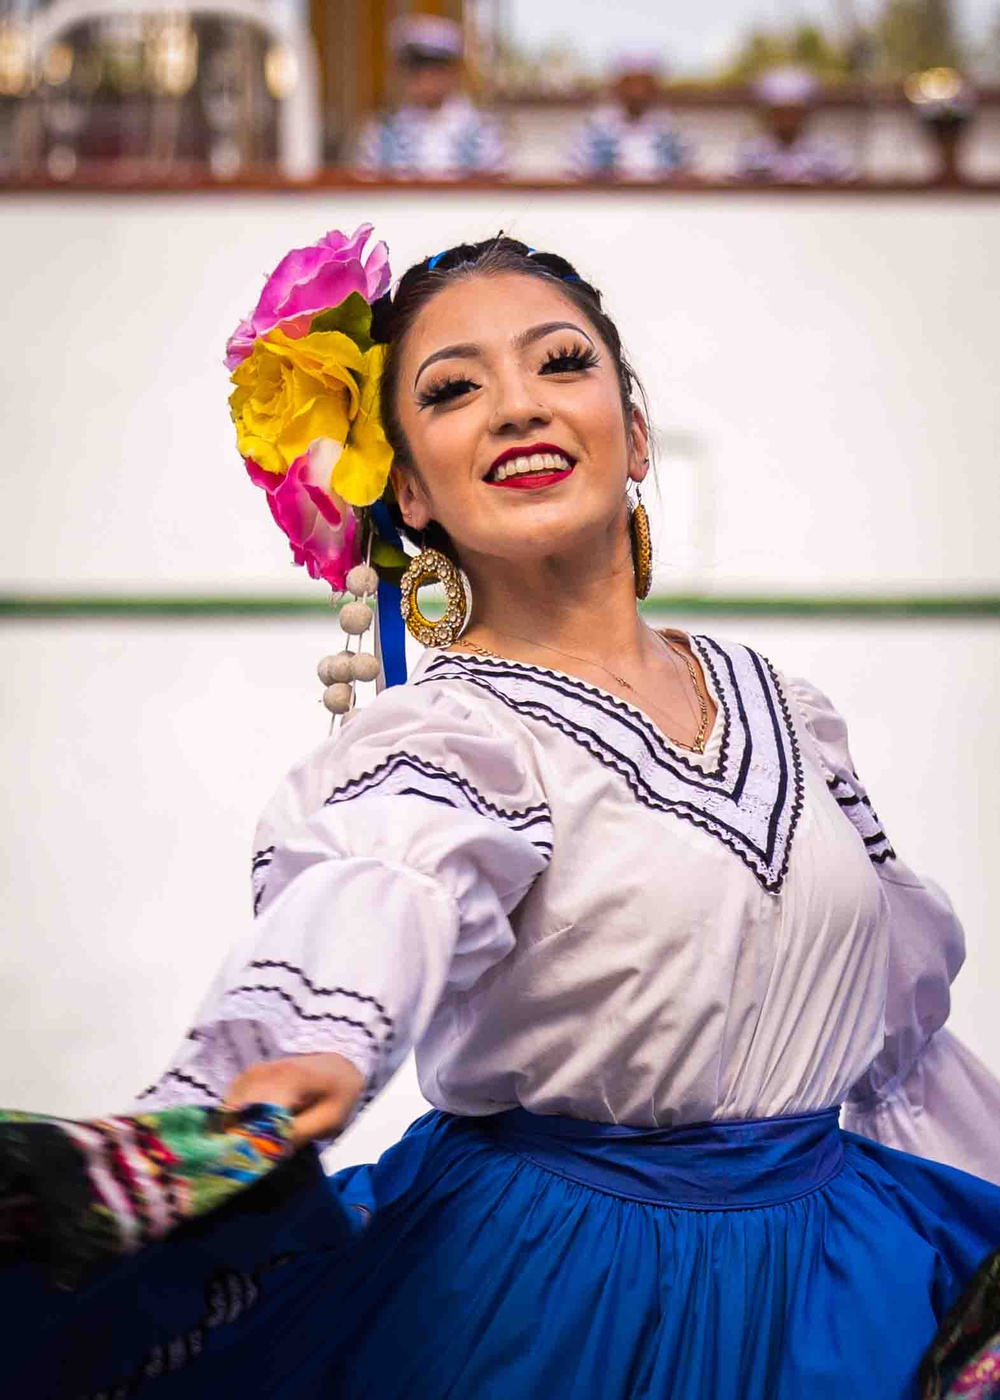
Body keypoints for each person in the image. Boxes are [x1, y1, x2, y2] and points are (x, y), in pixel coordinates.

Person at [5, 232, 1000, 1400]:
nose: (515, 407)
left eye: (560, 363)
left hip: (841, 1287)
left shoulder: (787, 708)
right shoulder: (448, 739)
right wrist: (295, 1060)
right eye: (452, 387)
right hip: (566, 1298)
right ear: (408, 488)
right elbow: (381, 890)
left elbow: (896, 1038)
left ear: (633, 433)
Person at [354, 15, 505, 180]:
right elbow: (365, 193)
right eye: (415, 68)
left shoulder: (483, 133)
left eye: (435, 68)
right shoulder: (381, 134)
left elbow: (498, 194)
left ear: (453, 72)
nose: (425, 78)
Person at [568, 52, 690, 181]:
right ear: (616, 87)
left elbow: (689, 177)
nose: (637, 92)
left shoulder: (672, 132)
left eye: (644, 84)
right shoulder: (593, 131)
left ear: (655, 89)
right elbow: (575, 175)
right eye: (629, 84)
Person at [733, 65, 854, 183]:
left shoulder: (826, 154)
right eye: (779, 112)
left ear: (806, 113)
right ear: (766, 115)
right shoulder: (750, 154)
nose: (786, 119)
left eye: (793, 111)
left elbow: (851, 185)